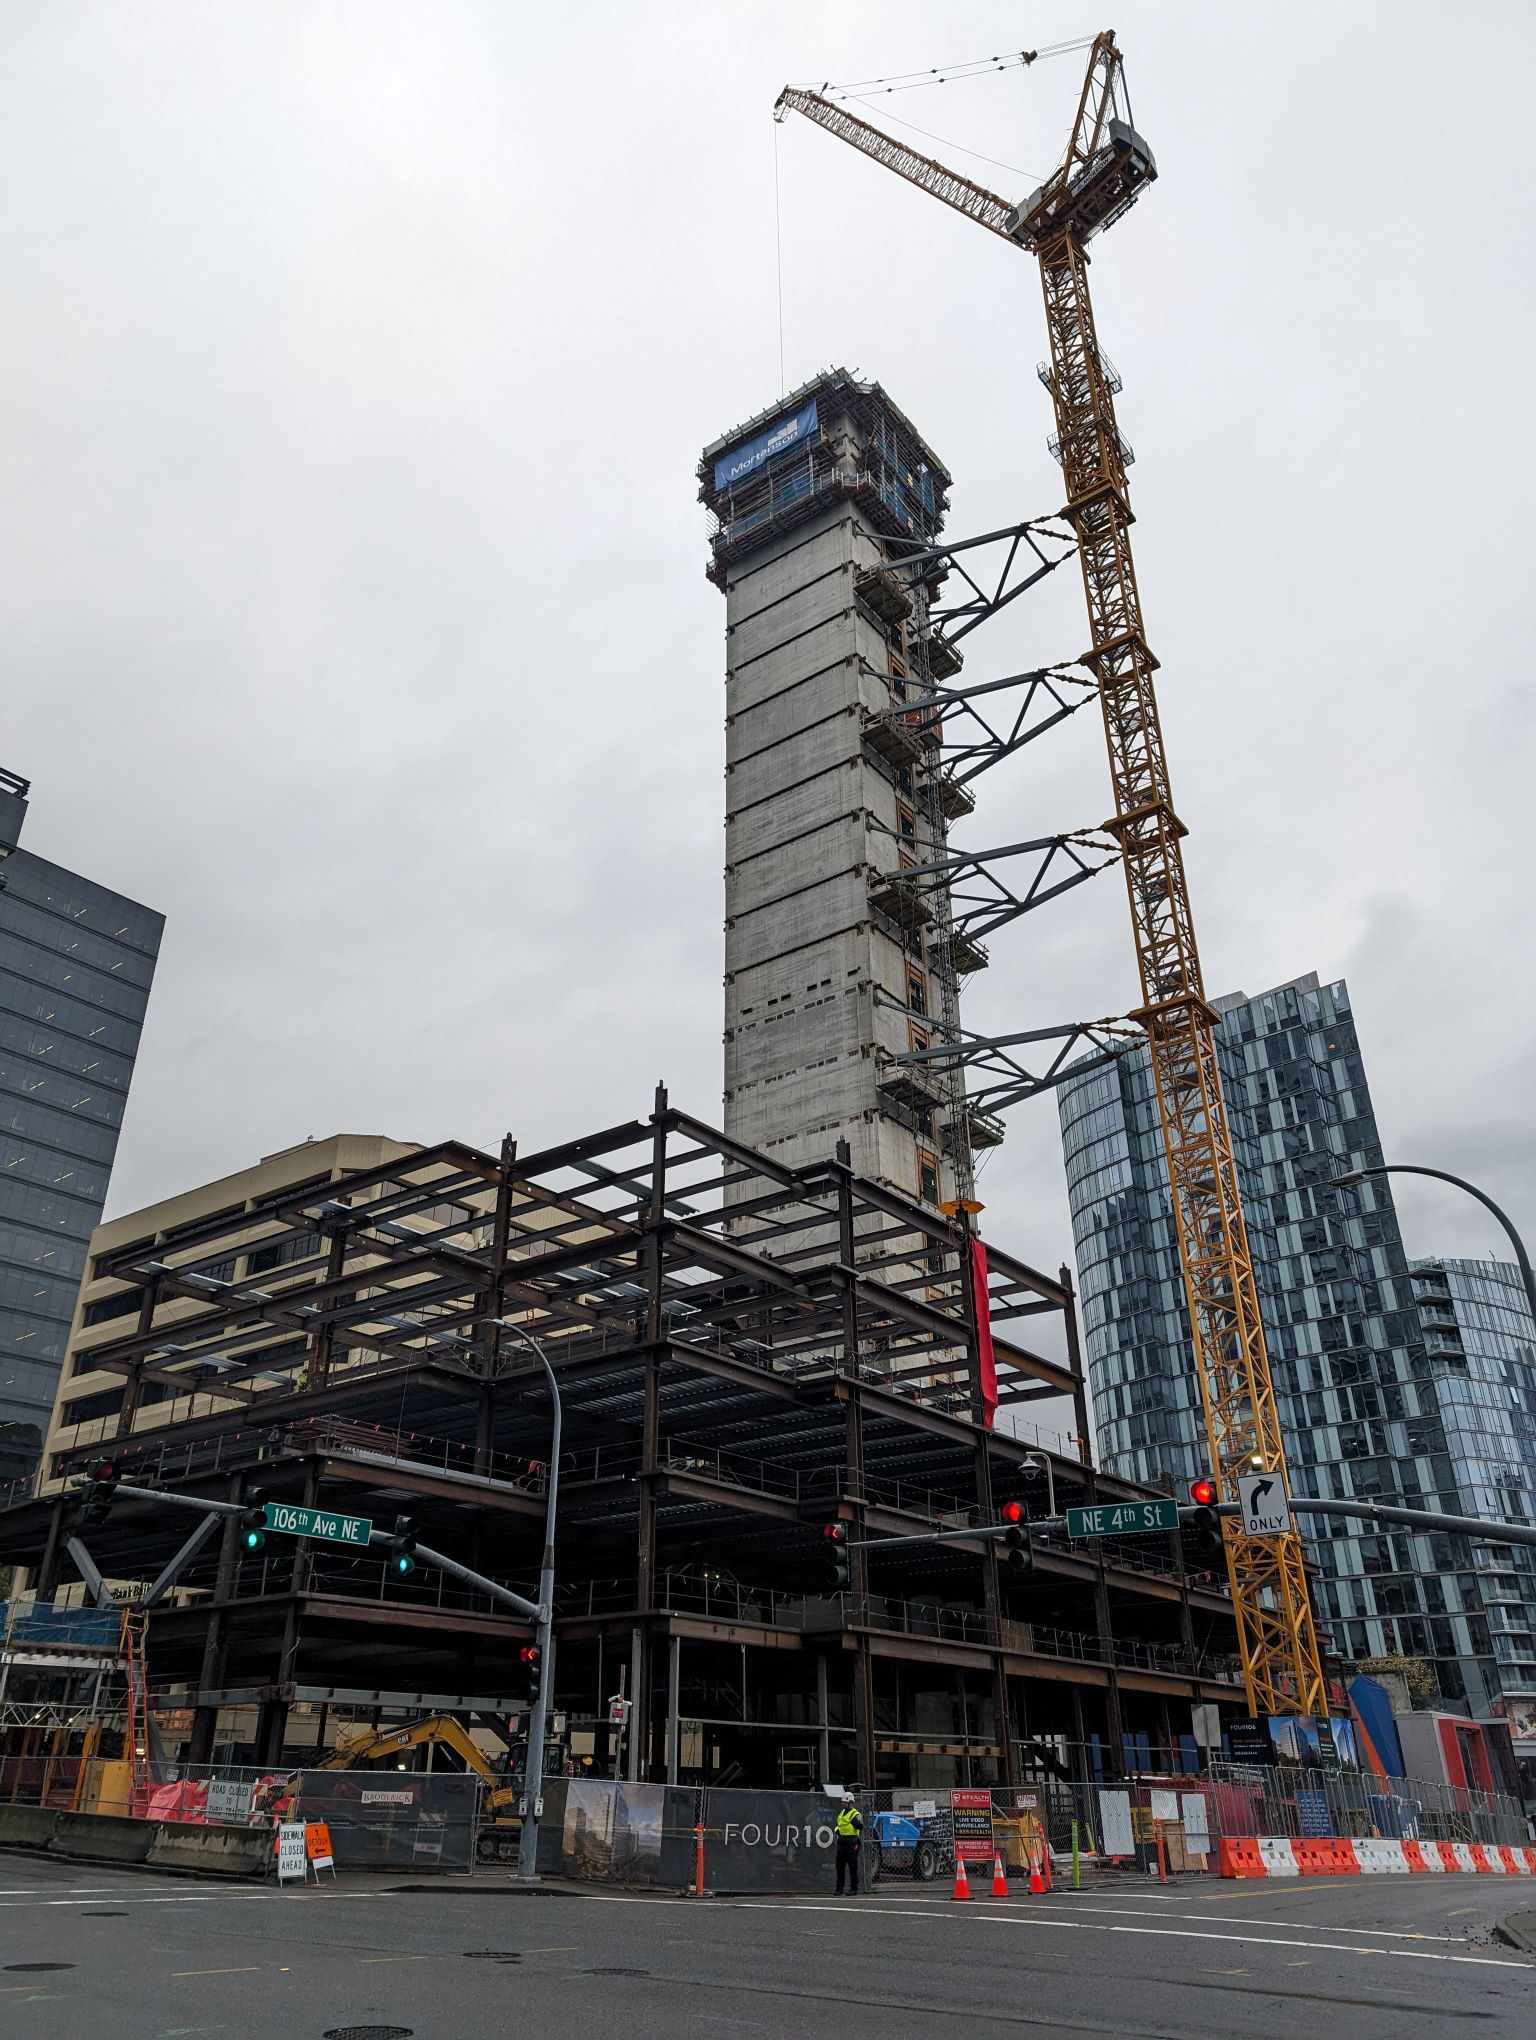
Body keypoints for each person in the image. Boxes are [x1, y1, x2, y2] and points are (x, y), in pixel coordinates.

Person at [834, 1793, 863, 1895]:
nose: (843, 1803)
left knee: (852, 1865)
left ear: (851, 1802)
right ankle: (839, 1888)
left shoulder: (855, 1814)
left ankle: (854, 1888)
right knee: (839, 1866)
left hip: (852, 1841)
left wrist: (856, 1824)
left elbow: (860, 1826)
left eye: (845, 1802)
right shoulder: (841, 1813)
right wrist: (837, 1831)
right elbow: (837, 1825)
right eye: (843, 1802)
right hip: (842, 1841)